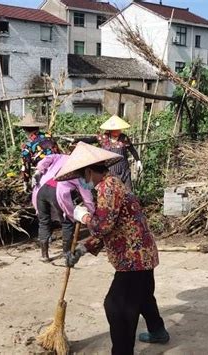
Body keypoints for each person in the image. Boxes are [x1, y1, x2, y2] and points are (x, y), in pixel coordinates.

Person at [55, 142, 169, 355]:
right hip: (143, 254)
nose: (81, 182)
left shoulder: (108, 187)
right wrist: (82, 249)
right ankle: (158, 331)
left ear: (88, 171)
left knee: (117, 307)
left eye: (81, 177)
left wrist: (84, 216)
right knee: (143, 296)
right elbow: (111, 228)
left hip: (133, 258)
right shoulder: (113, 185)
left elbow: (103, 225)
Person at [32, 154, 95, 262]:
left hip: (42, 189)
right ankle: (66, 253)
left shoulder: (61, 157)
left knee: (44, 222)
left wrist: (38, 170)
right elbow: (87, 197)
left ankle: (44, 255)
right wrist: (93, 212)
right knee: (67, 221)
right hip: (56, 191)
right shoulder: (81, 171)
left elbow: (46, 160)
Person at [80, 115, 142, 192]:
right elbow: (90, 140)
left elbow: (132, 150)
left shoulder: (124, 138)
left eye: (118, 129)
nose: (117, 131)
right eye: (115, 130)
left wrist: (138, 160)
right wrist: (77, 140)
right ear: (110, 130)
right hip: (109, 171)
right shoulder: (104, 138)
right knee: (112, 192)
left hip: (124, 170)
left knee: (127, 192)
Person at [14, 112, 60, 192]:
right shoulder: (49, 136)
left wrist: (26, 182)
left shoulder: (27, 146)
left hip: (43, 171)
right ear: (38, 127)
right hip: (59, 167)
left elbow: (26, 166)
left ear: (24, 130)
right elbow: (57, 152)